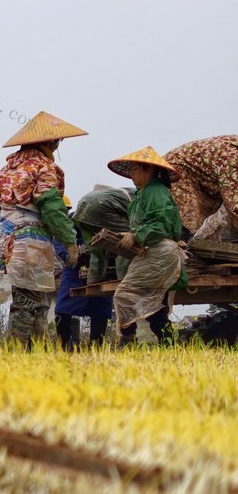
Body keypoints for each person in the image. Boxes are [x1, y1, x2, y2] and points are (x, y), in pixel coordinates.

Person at [0, 111, 86, 348]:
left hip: (5, 238)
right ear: (51, 142)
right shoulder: (43, 167)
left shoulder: (6, 171)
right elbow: (52, 207)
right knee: (27, 301)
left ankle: (38, 351)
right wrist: (69, 241)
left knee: (34, 299)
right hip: (29, 241)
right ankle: (16, 351)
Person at [106, 146, 187, 347]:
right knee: (150, 299)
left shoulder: (156, 191)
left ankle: (127, 339)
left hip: (160, 251)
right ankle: (168, 342)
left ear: (148, 169)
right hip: (152, 251)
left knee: (125, 294)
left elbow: (160, 224)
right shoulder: (142, 194)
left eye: (134, 169)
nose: (131, 174)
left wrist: (136, 235)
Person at [53, 187, 134, 349]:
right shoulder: (74, 219)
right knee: (63, 308)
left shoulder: (114, 220)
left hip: (103, 270)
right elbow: (61, 239)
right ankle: (64, 344)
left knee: (100, 309)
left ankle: (96, 346)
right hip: (76, 270)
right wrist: (71, 256)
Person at [164, 135, 238, 237]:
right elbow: (234, 203)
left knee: (208, 228)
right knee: (189, 220)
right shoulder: (231, 155)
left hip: (201, 180)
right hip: (175, 171)